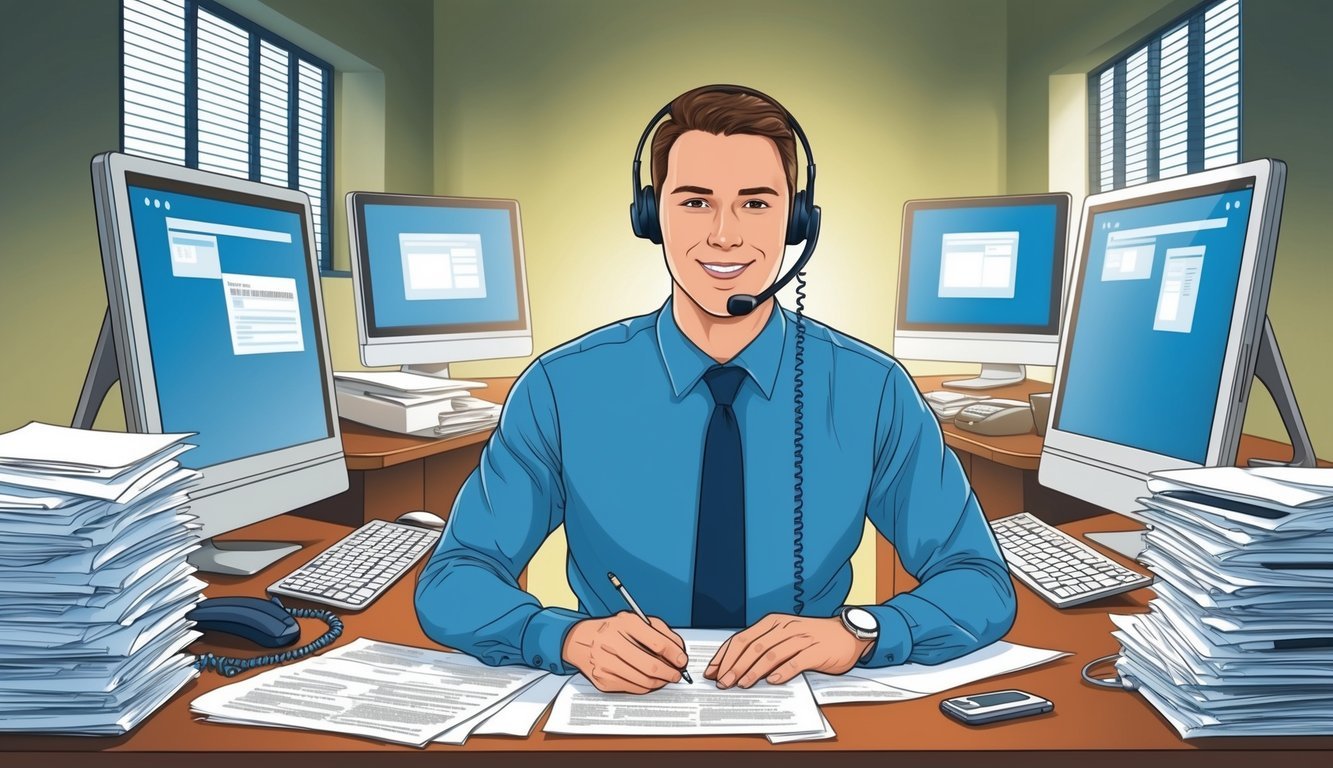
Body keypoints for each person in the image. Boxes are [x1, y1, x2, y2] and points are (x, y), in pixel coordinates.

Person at [415, 84, 1015, 694]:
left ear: (797, 220)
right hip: (614, 709)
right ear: (652, 218)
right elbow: (456, 577)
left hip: (812, 712)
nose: (724, 235)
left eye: (756, 204)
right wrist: (566, 638)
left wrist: (860, 633)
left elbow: (980, 580)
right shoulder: (560, 388)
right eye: (695, 202)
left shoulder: (873, 390)